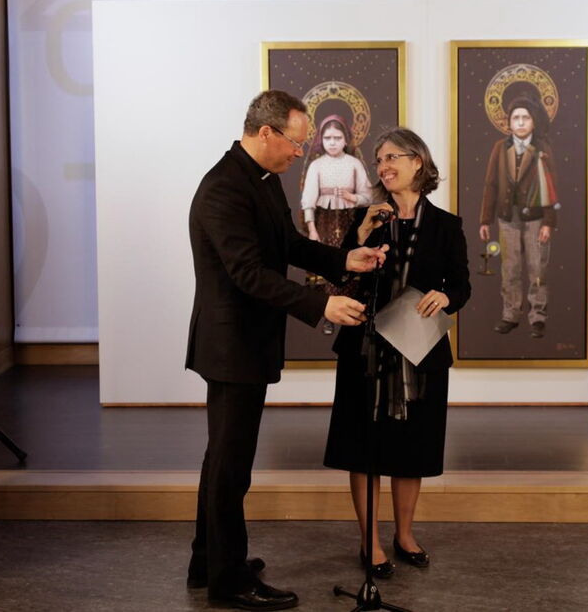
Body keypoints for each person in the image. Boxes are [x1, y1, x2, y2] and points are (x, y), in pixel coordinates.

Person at [184, 90, 387, 611]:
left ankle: (209, 559)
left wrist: (347, 261)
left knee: (223, 457)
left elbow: (291, 245)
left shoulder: (264, 180)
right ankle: (228, 581)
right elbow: (249, 273)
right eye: (296, 143)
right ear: (266, 132)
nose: (302, 152)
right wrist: (324, 303)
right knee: (231, 464)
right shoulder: (224, 190)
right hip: (231, 344)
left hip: (247, 339)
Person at [323, 127, 471, 578]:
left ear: (418, 163)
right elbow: (342, 272)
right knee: (362, 445)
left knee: (412, 446)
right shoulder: (368, 217)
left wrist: (446, 299)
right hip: (364, 348)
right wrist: (360, 236)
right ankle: (369, 542)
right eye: (379, 160)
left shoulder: (447, 226)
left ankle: (404, 534)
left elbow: (461, 286)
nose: (383, 167)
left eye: (392, 158)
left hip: (418, 349)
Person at [479, 96, 559, 339]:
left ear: (533, 122)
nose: (521, 122)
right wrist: (485, 219)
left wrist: (548, 222)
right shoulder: (500, 148)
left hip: (535, 218)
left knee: (537, 268)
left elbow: (550, 186)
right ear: (509, 123)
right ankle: (511, 314)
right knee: (510, 268)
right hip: (507, 218)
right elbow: (491, 184)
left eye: (526, 118)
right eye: (516, 118)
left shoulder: (543, 148)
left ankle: (537, 317)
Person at [299, 115, 373, 335]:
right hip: (325, 221)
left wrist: (353, 198)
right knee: (327, 263)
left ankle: (353, 312)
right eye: (328, 137)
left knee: (350, 262)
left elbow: (367, 196)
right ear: (321, 139)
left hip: (350, 220)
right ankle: (328, 314)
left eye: (337, 137)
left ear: (345, 139)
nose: (332, 142)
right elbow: (308, 199)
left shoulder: (354, 164)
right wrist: (312, 229)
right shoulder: (316, 165)